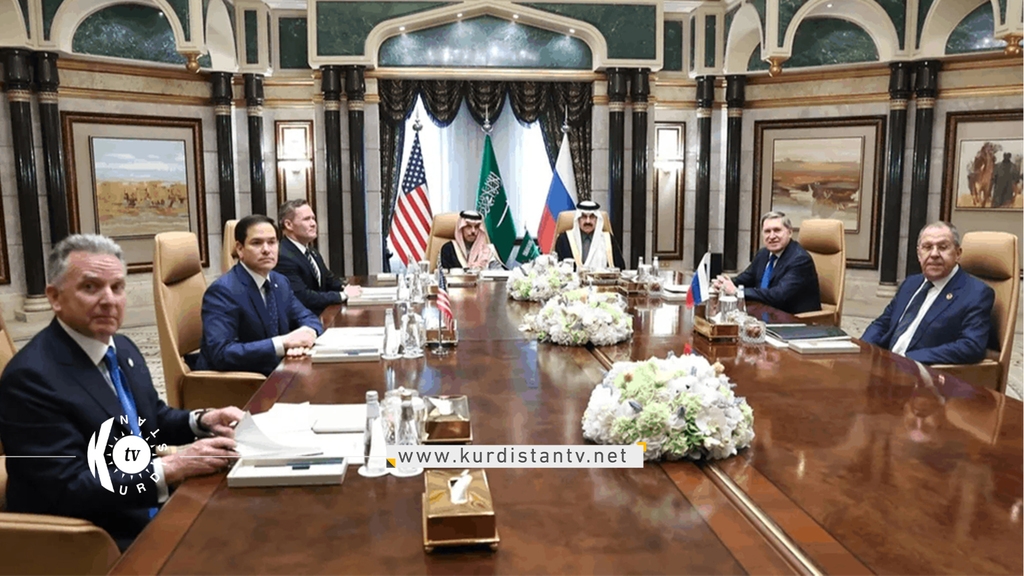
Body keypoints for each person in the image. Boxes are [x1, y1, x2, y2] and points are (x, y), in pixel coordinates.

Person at [0, 235, 242, 551]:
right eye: (90, 287)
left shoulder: (122, 347)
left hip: (148, 506)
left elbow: (150, 419)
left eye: (117, 287)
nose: (109, 299)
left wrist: (202, 420)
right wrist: (170, 468)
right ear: (54, 297)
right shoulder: (30, 378)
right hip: (95, 539)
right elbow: (69, 487)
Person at [197, 214, 324, 376]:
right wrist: (283, 343)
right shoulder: (223, 291)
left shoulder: (280, 282)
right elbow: (221, 353)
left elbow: (307, 316)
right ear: (240, 249)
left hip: (279, 370)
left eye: (272, 242)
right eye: (257, 243)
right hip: (241, 380)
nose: (266, 250)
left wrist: (307, 334)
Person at [861, 222, 994, 364]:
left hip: (921, 371)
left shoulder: (976, 293)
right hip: (884, 364)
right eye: (927, 247)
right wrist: (861, 348)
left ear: (958, 253)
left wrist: (906, 359)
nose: (934, 254)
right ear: (919, 254)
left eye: (943, 247)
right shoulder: (910, 283)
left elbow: (971, 346)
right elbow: (883, 323)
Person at [713, 211, 821, 315]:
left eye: (777, 230)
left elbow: (778, 296)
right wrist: (724, 283)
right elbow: (745, 279)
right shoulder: (763, 254)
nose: (772, 236)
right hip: (766, 313)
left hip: (794, 319)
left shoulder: (800, 259)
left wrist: (737, 292)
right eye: (767, 231)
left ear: (790, 233)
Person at [275, 199, 361, 314]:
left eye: (313, 218)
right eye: (307, 219)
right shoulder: (283, 256)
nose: (313, 224)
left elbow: (329, 279)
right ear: (288, 225)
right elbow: (303, 297)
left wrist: (345, 287)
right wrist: (342, 295)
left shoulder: (311, 251)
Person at [552, 200, 626, 270]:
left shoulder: (608, 239)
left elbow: (620, 268)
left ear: (597, 219)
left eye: (592, 217)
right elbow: (556, 269)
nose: (588, 221)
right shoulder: (564, 239)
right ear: (578, 219)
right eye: (584, 217)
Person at [438, 210, 505, 270]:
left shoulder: (488, 251)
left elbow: (500, 273)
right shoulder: (448, 249)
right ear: (461, 228)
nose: (473, 231)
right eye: (468, 226)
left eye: (476, 227)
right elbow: (443, 275)